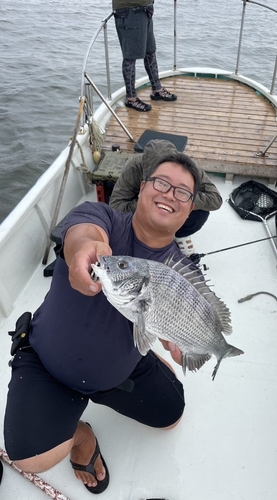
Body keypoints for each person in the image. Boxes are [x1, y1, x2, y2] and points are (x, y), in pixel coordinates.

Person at [4, 153, 201, 494]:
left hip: (118, 374)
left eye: (182, 192)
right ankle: (81, 437)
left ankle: (146, 359)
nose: (170, 194)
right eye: (162, 183)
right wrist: (83, 248)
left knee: (172, 417)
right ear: (141, 189)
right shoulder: (100, 216)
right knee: (29, 458)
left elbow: (187, 321)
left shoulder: (186, 274)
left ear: (189, 208)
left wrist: (179, 339)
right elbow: (84, 234)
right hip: (48, 363)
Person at [109, 139, 223, 255]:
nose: (167, 195)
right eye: (159, 181)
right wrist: (147, 202)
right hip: (141, 217)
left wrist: (182, 197)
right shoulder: (134, 167)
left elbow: (215, 199)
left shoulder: (190, 168)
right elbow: (115, 205)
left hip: (173, 210)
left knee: (200, 214)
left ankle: (179, 234)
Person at [113, 1, 176, 112]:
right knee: (130, 57)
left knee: (150, 51)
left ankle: (157, 90)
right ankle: (131, 98)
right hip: (129, 12)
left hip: (144, 10)